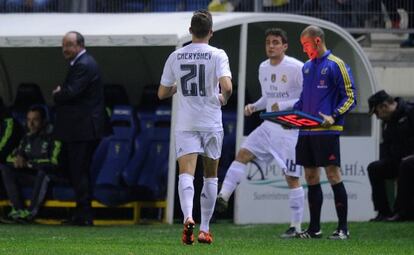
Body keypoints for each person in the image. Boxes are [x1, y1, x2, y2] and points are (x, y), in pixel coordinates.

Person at [215, 28, 305, 239]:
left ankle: (296, 226)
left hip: (288, 128)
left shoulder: (296, 67)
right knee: (243, 154)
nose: (271, 46)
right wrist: (254, 107)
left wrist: (282, 104)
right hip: (268, 125)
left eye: (275, 42)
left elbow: (305, 98)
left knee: (291, 176)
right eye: (268, 42)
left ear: (285, 46)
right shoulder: (263, 67)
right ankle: (223, 196)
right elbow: (267, 97)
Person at [158, 10, 232, 245]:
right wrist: (223, 99)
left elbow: (162, 93)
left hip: (186, 123)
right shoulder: (218, 54)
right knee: (210, 176)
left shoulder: (176, 56)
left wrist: (177, 88)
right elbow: (227, 87)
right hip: (211, 122)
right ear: (211, 32)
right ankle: (205, 228)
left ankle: (188, 216)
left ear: (190, 31)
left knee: (186, 173)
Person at [294, 25, 356, 240]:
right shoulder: (307, 67)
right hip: (306, 131)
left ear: (317, 41)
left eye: (306, 45)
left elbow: (350, 97)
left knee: (332, 174)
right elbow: (303, 98)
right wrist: (290, 114)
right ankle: (314, 229)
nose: (304, 50)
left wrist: (334, 115)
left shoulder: (336, 65)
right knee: (310, 176)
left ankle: (343, 229)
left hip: (327, 131)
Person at [53, 31, 105, 226]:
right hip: (80, 129)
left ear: (80, 45)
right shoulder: (82, 63)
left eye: (68, 45)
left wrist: (58, 94)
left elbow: (71, 93)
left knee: (79, 171)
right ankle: (80, 213)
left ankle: (84, 215)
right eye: (63, 45)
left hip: (82, 129)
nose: (65, 49)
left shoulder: (83, 65)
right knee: (76, 171)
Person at [0, 105, 62, 223]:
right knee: (5, 168)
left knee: (43, 174)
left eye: (35, 120)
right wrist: (18, 158)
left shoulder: (55, 136)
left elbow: (55, 162)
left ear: (44, 121)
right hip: (34, 178)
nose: (31, 124)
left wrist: (29, 163)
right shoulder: (26, 137)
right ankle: (18, 210)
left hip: (53, 178)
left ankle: (30, 213)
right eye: (28, 120)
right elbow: (9, 158)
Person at [367, 90, 414, 222]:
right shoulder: (387, 122)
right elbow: (387, 148)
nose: (377, 117)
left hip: (410, 161)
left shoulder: (410, 112)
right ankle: (383, 212)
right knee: (375, 168)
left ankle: (402, 212)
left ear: (384, 106)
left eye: (376, 112)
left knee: (406, 165)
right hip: (399, 161)